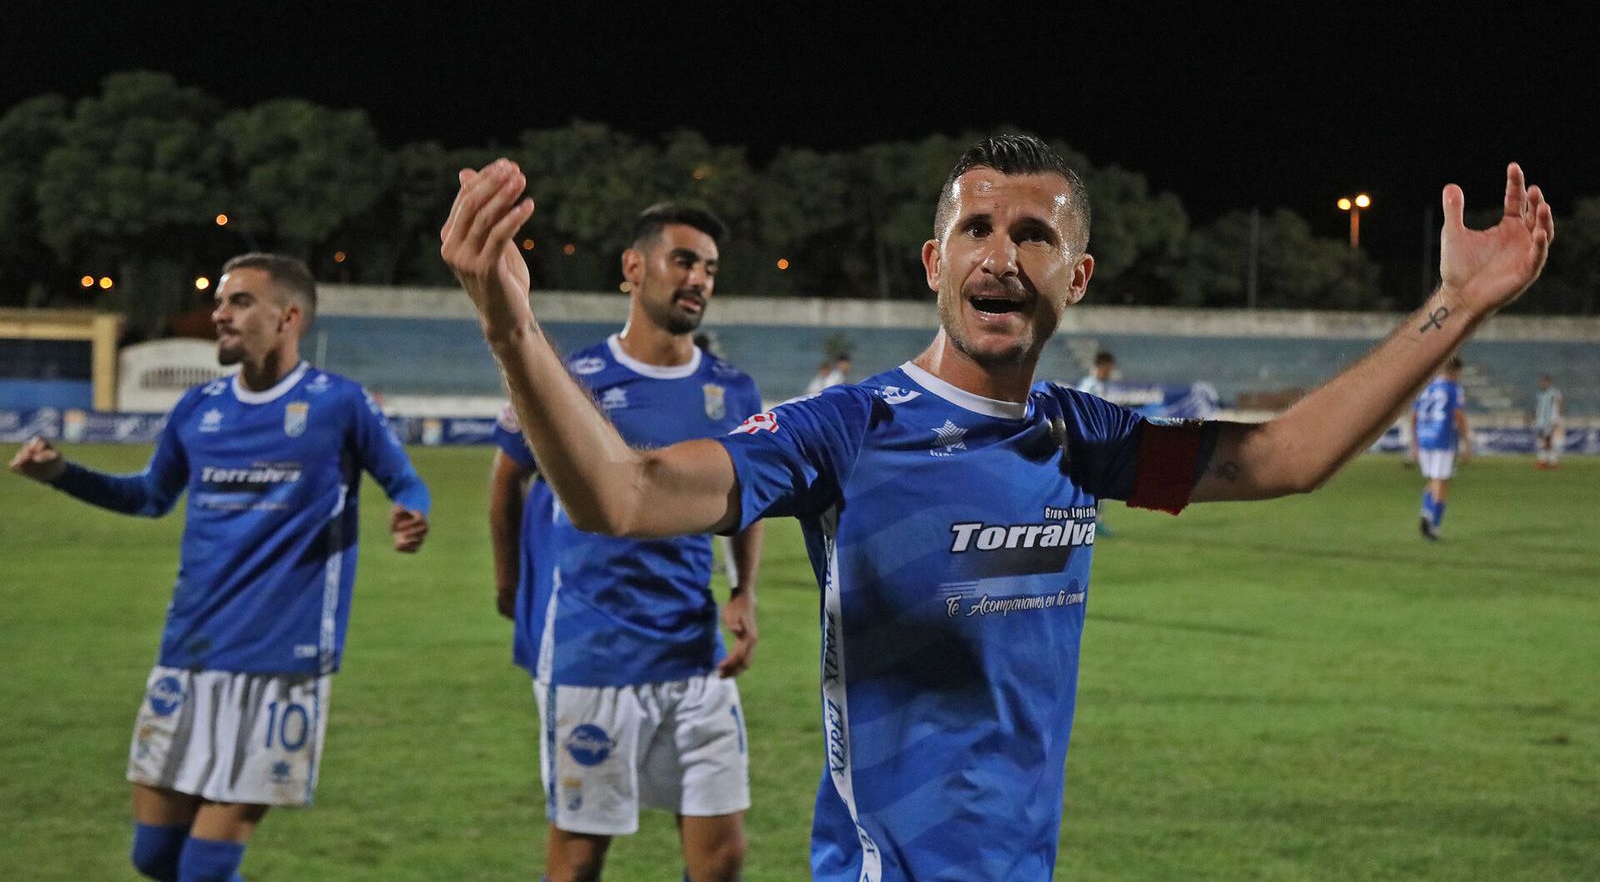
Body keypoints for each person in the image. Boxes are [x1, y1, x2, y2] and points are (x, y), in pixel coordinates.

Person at [440, 136, 1552, 880]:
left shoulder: (1083, 436)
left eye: (1036, 238)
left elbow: (1281, 458)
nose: (1003, 257)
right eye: (977, 231)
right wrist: (509, 327)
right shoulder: (850, 428)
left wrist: (1453, 304)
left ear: (1079, 275)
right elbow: (625, 494)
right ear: (934, 262)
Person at [9, 253, 430, 882]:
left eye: (238, 302)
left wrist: (409, 512)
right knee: (153, 856)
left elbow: (406, 481)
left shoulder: (339, 404)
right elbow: (150, 496)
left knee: (205, 865)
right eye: (220, 302)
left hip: (281, 663)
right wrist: (62, 474)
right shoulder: (197, 408)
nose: (220, 314)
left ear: (288, 316)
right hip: (190, 650)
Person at [486, 204, 765, 882]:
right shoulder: (570, 376)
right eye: (684, 260)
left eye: (708, 268)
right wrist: (510, 585)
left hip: (693, 649)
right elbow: (506, 483)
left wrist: (743, 592)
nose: (698, 278)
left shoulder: (731, 389)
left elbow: (750, 495)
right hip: (593, 651)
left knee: (723, 856)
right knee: (580, 859)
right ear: (634, 268)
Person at [1409, 356, 1471, 540]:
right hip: (1442, 439)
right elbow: (1458, 415)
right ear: (1456, 371)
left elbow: (1413, 416)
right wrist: (1467, 443)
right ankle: (1432, 524)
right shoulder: (1453, 389)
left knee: (1432, 480)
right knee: (1441, 482)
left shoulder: (1426, 387)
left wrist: (1414, 443)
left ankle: (1426, 514)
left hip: (1424, 438)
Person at [1533, 373, 1564, 468]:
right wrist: (1535, 417)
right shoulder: (1540, 394)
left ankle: (1548, 462)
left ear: (1549, 382)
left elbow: (1559, 405)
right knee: (1543, 441)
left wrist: (1557, 418)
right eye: (1541, 382)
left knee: (1548, 441)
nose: (1542, 384)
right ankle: (1546, 461)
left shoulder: (1554, 392)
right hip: (1540, 421)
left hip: (1549, 420)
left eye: (1544, 382)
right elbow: (1538, 407)